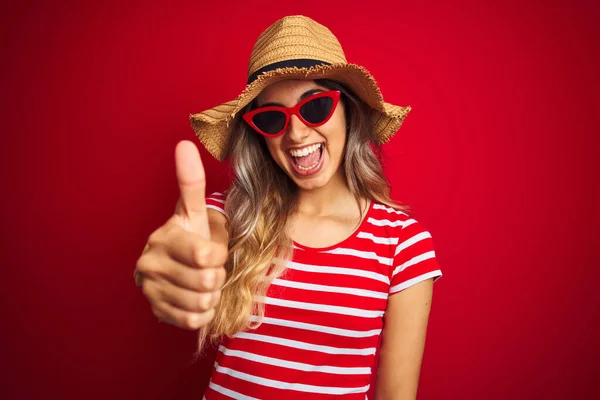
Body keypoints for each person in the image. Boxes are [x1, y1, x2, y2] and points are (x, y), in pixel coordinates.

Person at [134, 15, 443, 399]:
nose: (295, 133)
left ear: (348, 110)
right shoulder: (230, 216)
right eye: (271, 118)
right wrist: (173, 267)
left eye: (315, 107)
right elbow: (193, 246)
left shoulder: (401, 243)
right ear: (257, 133)